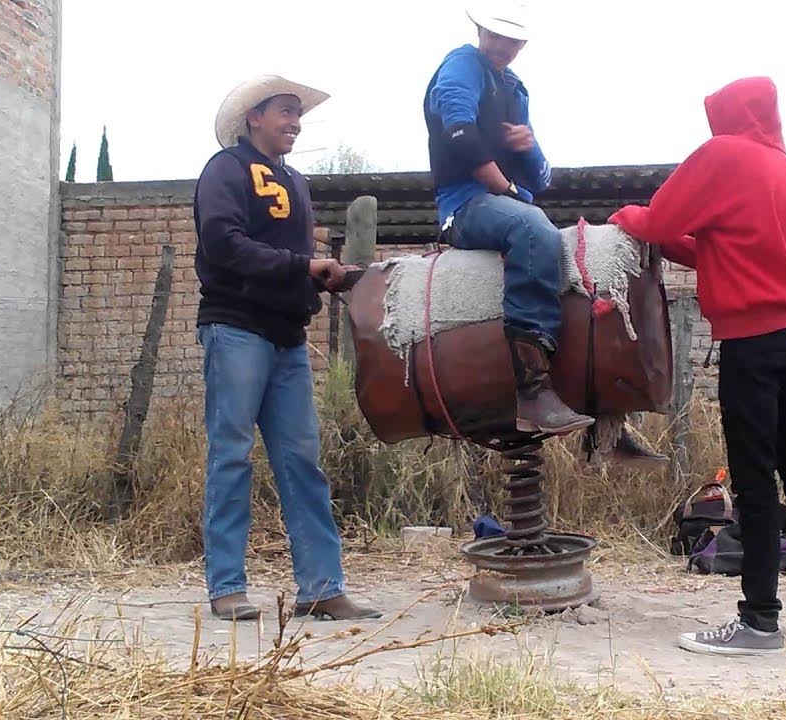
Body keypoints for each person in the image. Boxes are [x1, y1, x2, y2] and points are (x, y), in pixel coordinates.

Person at [609, 77, 786, 655]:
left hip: (750, 342)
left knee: (753, 477)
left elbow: (659, 221)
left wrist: (625, 217)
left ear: (726, 115)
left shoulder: (722, 154)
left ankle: (759, 621)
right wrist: (682, 245)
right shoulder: (785, 170)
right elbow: (766, 251)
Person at [422, 2, 666, 465]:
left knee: (582, 258)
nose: (504, 47)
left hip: (509, 202)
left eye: (513, 40)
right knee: (535, 231)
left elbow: (541, 178)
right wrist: (506, 185)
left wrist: (529, 150)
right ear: (479, 31)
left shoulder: (515, 88)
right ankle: (532, 391)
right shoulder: (460, 66)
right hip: (466, 206)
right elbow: (458, 132)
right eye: (496, 36)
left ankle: (604, 418)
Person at [193, 75, 382, 622]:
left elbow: (288, 258)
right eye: (284, 111)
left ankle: (322, 588)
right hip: (236, 329)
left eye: (298, 114)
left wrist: (325, 278)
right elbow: (225, 245)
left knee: (302, 461)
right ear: (253, 117)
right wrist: (304, 266)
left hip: (286, 337)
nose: (295, 122)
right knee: (231, 455)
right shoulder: (223, 170)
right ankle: (226, 587)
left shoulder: (296, 183)